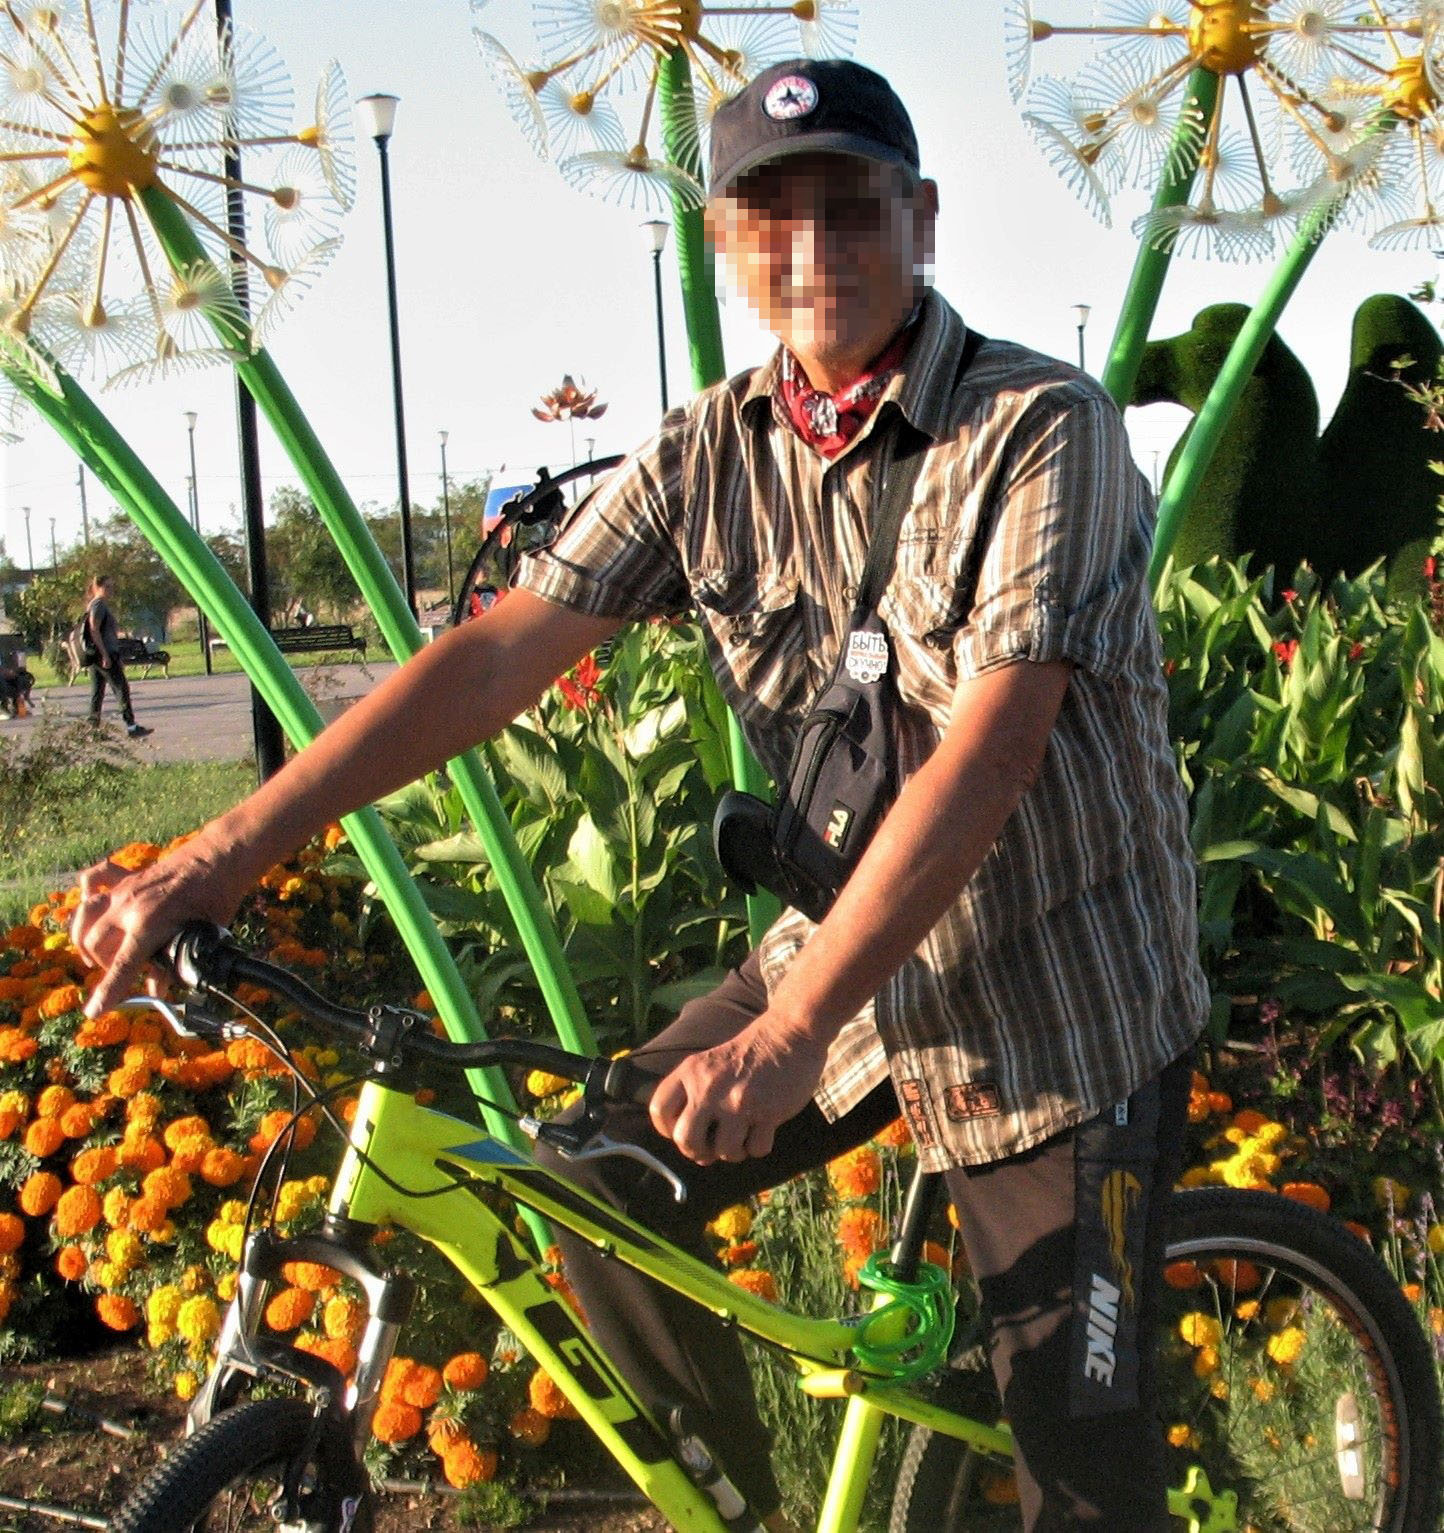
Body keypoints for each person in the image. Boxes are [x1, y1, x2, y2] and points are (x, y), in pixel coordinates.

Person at [71, 59, 1205, 1530]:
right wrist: (226, 851)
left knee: (1080, 1473)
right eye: (768, 218)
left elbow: (991, 745)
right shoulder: (706, 452)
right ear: (727, 246)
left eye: (850, 208)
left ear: (921, 220)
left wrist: (793, 1034)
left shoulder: (1043, 428)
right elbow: (493, 660)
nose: (812, 254)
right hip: (851, 961)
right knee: (591, 1195)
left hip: (1065, 995)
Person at [83, 574, 151, 739]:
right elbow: (94, 630)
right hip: (103, 655)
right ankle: (131, 726)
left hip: (98, 655)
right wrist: (105, 654)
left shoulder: (96, 605)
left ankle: (92, 731)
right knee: (121, 689)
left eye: (112, 587)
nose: (111, 590)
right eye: (107, 587)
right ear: (97, 588)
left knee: (97, 692)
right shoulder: (98, 605)